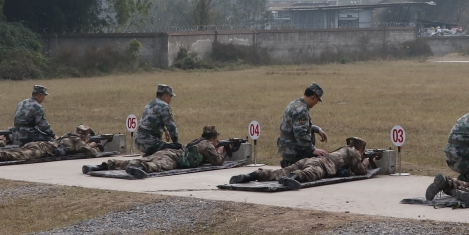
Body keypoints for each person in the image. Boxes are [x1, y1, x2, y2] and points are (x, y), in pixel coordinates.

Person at [87, 124, 226, 179]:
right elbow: (218, 161)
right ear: (213, 139)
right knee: (159, 166)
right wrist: (220, 150)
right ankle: (141, 169)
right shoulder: (208, 145)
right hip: (174, 158)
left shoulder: (198, 140)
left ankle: (105, 165)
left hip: (169, 151)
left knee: (140, 159)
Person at [231, 136, 370, 187]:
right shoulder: (354, 152)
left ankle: (250, 176)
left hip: (308, 160)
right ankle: (293, 178)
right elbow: (361, 171)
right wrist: (367, 162)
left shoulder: (343, 149)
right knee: (309, 174)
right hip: (320, 165)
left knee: (278, 173)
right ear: (360, 149)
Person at [0, 125, 100, 164]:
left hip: (40, 143)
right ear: (85, 135)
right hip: (46, 149)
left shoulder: (68, 136)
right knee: (19, 155)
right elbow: (92, 153)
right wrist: (92, 144)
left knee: (18, 151)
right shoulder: (78, 141)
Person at [277, 82, 328, 166]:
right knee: (320, 162)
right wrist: (312, 150)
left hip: (285, 147)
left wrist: (317, 129)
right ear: (313, 97)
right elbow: (300, 134)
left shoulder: (295, 104)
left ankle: (289, 162)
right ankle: (292, 163)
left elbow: (298, 126)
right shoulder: (301, 110)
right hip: (292, 150)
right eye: (317, 101)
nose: (316, 103)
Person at [135, 84, 179, 156]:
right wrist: (176, 144)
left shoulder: (150, 104)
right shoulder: (164, 106)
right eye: (170, 96)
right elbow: (171, 127)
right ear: (165, 96)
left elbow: (153, 120)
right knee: (172, 149)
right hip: (150, 143)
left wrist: (165, 130)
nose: (171, 99)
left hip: (138, 141)